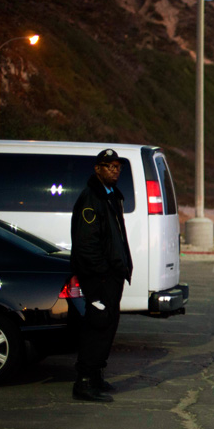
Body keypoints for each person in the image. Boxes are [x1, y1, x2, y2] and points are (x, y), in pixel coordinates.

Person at [70, 148, 133, 403]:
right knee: (97, 325)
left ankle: (95, 376)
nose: (115, 170)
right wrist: (102, 273)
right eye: (109, 166)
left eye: (117, 166)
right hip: (100, 277)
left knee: (107, 326)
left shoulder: (111, 196)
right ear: (98, 169)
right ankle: (83, 382)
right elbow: (87, 244)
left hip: (112, 276)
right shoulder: (91, 198)